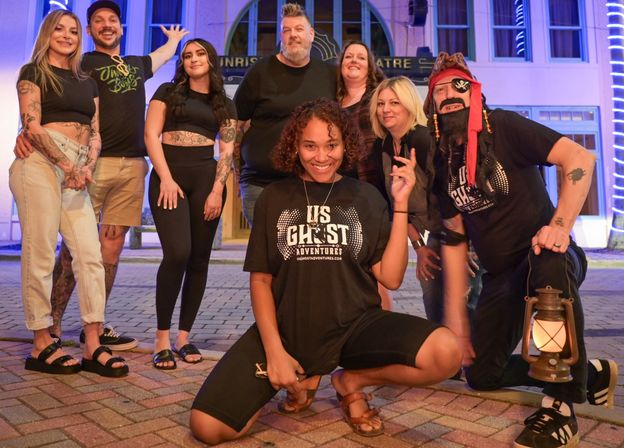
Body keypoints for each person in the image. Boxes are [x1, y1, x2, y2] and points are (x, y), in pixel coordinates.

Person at [189, 98, 461, 444]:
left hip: (355, 328)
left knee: (446, 352)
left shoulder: (365, 197)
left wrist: (401, 202)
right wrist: (275, 354)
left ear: (346, 144)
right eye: (310, 146)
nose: (322, 156)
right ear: (295, 146)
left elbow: (391, 278)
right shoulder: (275, 198)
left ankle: (351, 382)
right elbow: (260, 281)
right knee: (208, 428)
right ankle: (300, 378)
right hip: (288, 332)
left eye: (331, 145)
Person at [424, 52, 618, 448]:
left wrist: (559, 227)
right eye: (438, 90)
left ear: (476, 94)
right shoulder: (443, 163)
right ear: (431, 107)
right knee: (480, 374)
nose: (448, 94)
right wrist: (458, 324)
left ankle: (561, 408)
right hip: (501, 278)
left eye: (458, 86)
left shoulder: (506, 127)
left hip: (547, 260)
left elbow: (579, 158)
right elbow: (456, 240)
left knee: (546, 260)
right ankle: (589, 375)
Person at [14, 0, 188, 350]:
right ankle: (53, 324)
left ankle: (95, 325)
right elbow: (44, 106)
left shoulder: (132, 65)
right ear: (90, 31)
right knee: (68, 250)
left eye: (113, 20)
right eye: (97, 21)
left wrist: (174, 40)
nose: (107, 25)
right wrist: (25, 132)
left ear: (122, 28)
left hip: (130, 164)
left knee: (108, 248)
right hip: (87, 165)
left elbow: (161, 57)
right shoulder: (81, 65)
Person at [9, 10, 127, 378]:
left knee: (89, 255)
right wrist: (67, 165)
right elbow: (33, 125)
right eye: (59, 29)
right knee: (41, 252)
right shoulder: (33, 73)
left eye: (73, 30)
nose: (67, 35)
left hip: (77, 169)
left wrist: (86, 166)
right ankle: (42, 340)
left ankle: (93, 342)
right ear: (47, 33)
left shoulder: (86, 79)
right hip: (42, 164)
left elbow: (95, 130)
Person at [144, 38, 237, 369]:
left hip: (206, 180)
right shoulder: (167, 93)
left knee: (198, 259)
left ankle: (183, 337)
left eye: (200, 53)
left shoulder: (225, 104)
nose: (193, 58)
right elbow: (151, 136)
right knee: (177, 253)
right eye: (187, 55)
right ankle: (161, 338)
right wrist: (166, 178)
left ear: (211, 60)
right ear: (181, 62)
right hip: (169, 177)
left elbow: (226, 151)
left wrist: (217, 189)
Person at [234, 2, 337, 225]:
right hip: (260, 184)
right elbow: (235, 125)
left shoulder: (329, 75)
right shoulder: (260, 71)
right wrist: (235, 175)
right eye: (286, 30)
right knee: (266, 254)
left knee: (306, 256)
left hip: (311, 184)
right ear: (281, 36)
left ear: (311, 34)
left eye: (299, 29)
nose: (293, 35)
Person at [369, 76, 447, 323]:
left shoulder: (423, 139)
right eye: (380, 104)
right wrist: (419, 247)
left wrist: (460, 247)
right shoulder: (382, 147)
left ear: (409, 105)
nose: (386, 109)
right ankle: (446, 357)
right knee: (433, 298)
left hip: (459, 233)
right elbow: (397, 209)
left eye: (394, 103)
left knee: (461, 308)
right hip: (432, 234)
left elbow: (451, 196)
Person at [336, 41, 393, 313]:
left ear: (370, 65)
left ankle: (383, 329)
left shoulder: (379, 97)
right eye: (349, 56)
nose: (354, 60)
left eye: (361, 56)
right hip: (338, 193)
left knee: (375, 268)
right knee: (348, 267)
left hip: (370, 191)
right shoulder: (333, 102)